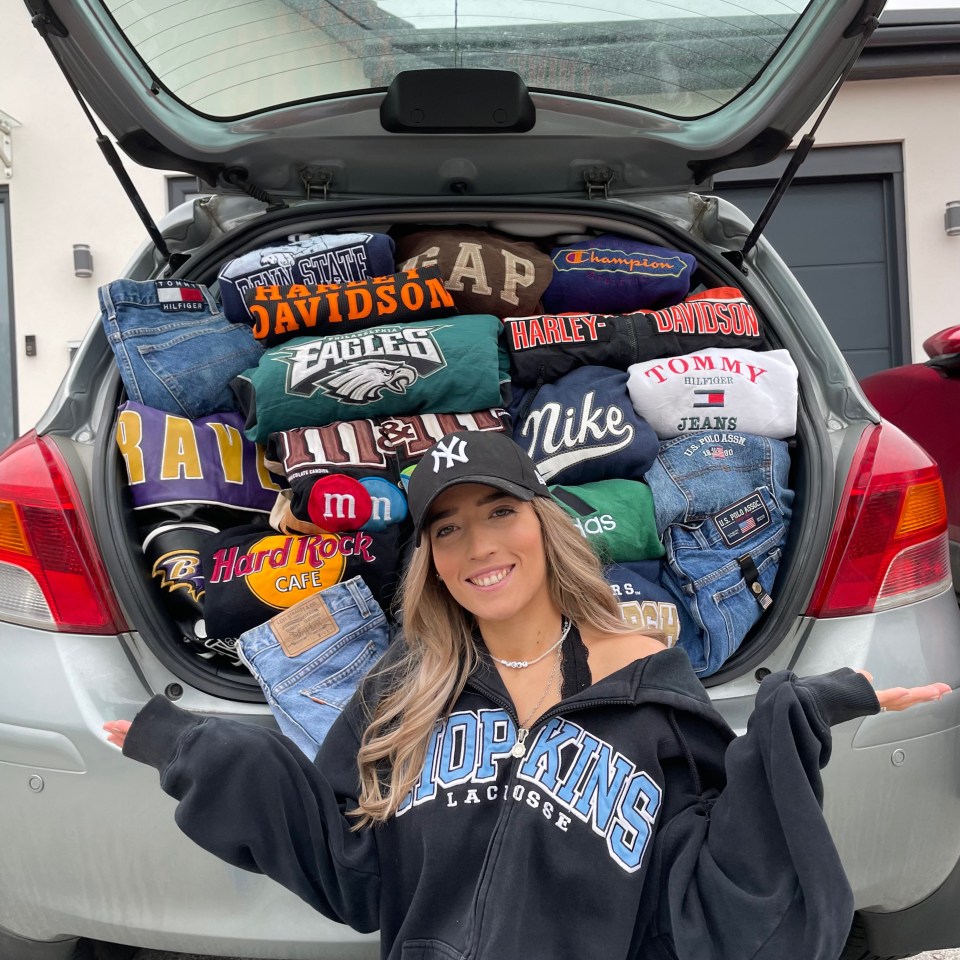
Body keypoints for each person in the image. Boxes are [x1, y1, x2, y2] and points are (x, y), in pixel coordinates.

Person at [104, 429, 949, 960]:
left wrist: (789, 723)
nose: (478, 545)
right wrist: (193, 746)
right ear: (430, 559)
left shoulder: (645, 678)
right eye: (447, 528)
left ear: (544, 525)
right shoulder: (404, 691)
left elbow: (698, 887)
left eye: (500, 511)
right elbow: (352, 869)